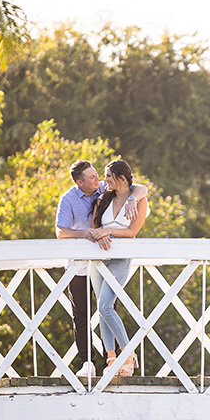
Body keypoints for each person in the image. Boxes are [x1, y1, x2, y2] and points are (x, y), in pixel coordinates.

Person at [55, 159, 147, 376]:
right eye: (93, 177)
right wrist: (90, 234)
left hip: (112, 258)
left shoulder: (106, 190)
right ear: (80, 182)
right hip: (81, 262)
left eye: (101, 175)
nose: (100, 180)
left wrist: (133, 198)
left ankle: (121, 356)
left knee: (106, 307)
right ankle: (93, 362)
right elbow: (62, 232)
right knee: (83, 314)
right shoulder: (70, 199)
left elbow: (140, 188)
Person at [89, 159, 149, 376]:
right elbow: (95, 228)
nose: (104, 181)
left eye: (108, 176)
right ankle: (111, 358)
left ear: (121, 178)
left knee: (106, 305)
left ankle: (128, 353)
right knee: (102, 309)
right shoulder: (103, 199)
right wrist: (100, 234)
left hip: (121, 259)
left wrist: (109, 232)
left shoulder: (138, 201)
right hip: (98, 259)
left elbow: (132, 232)